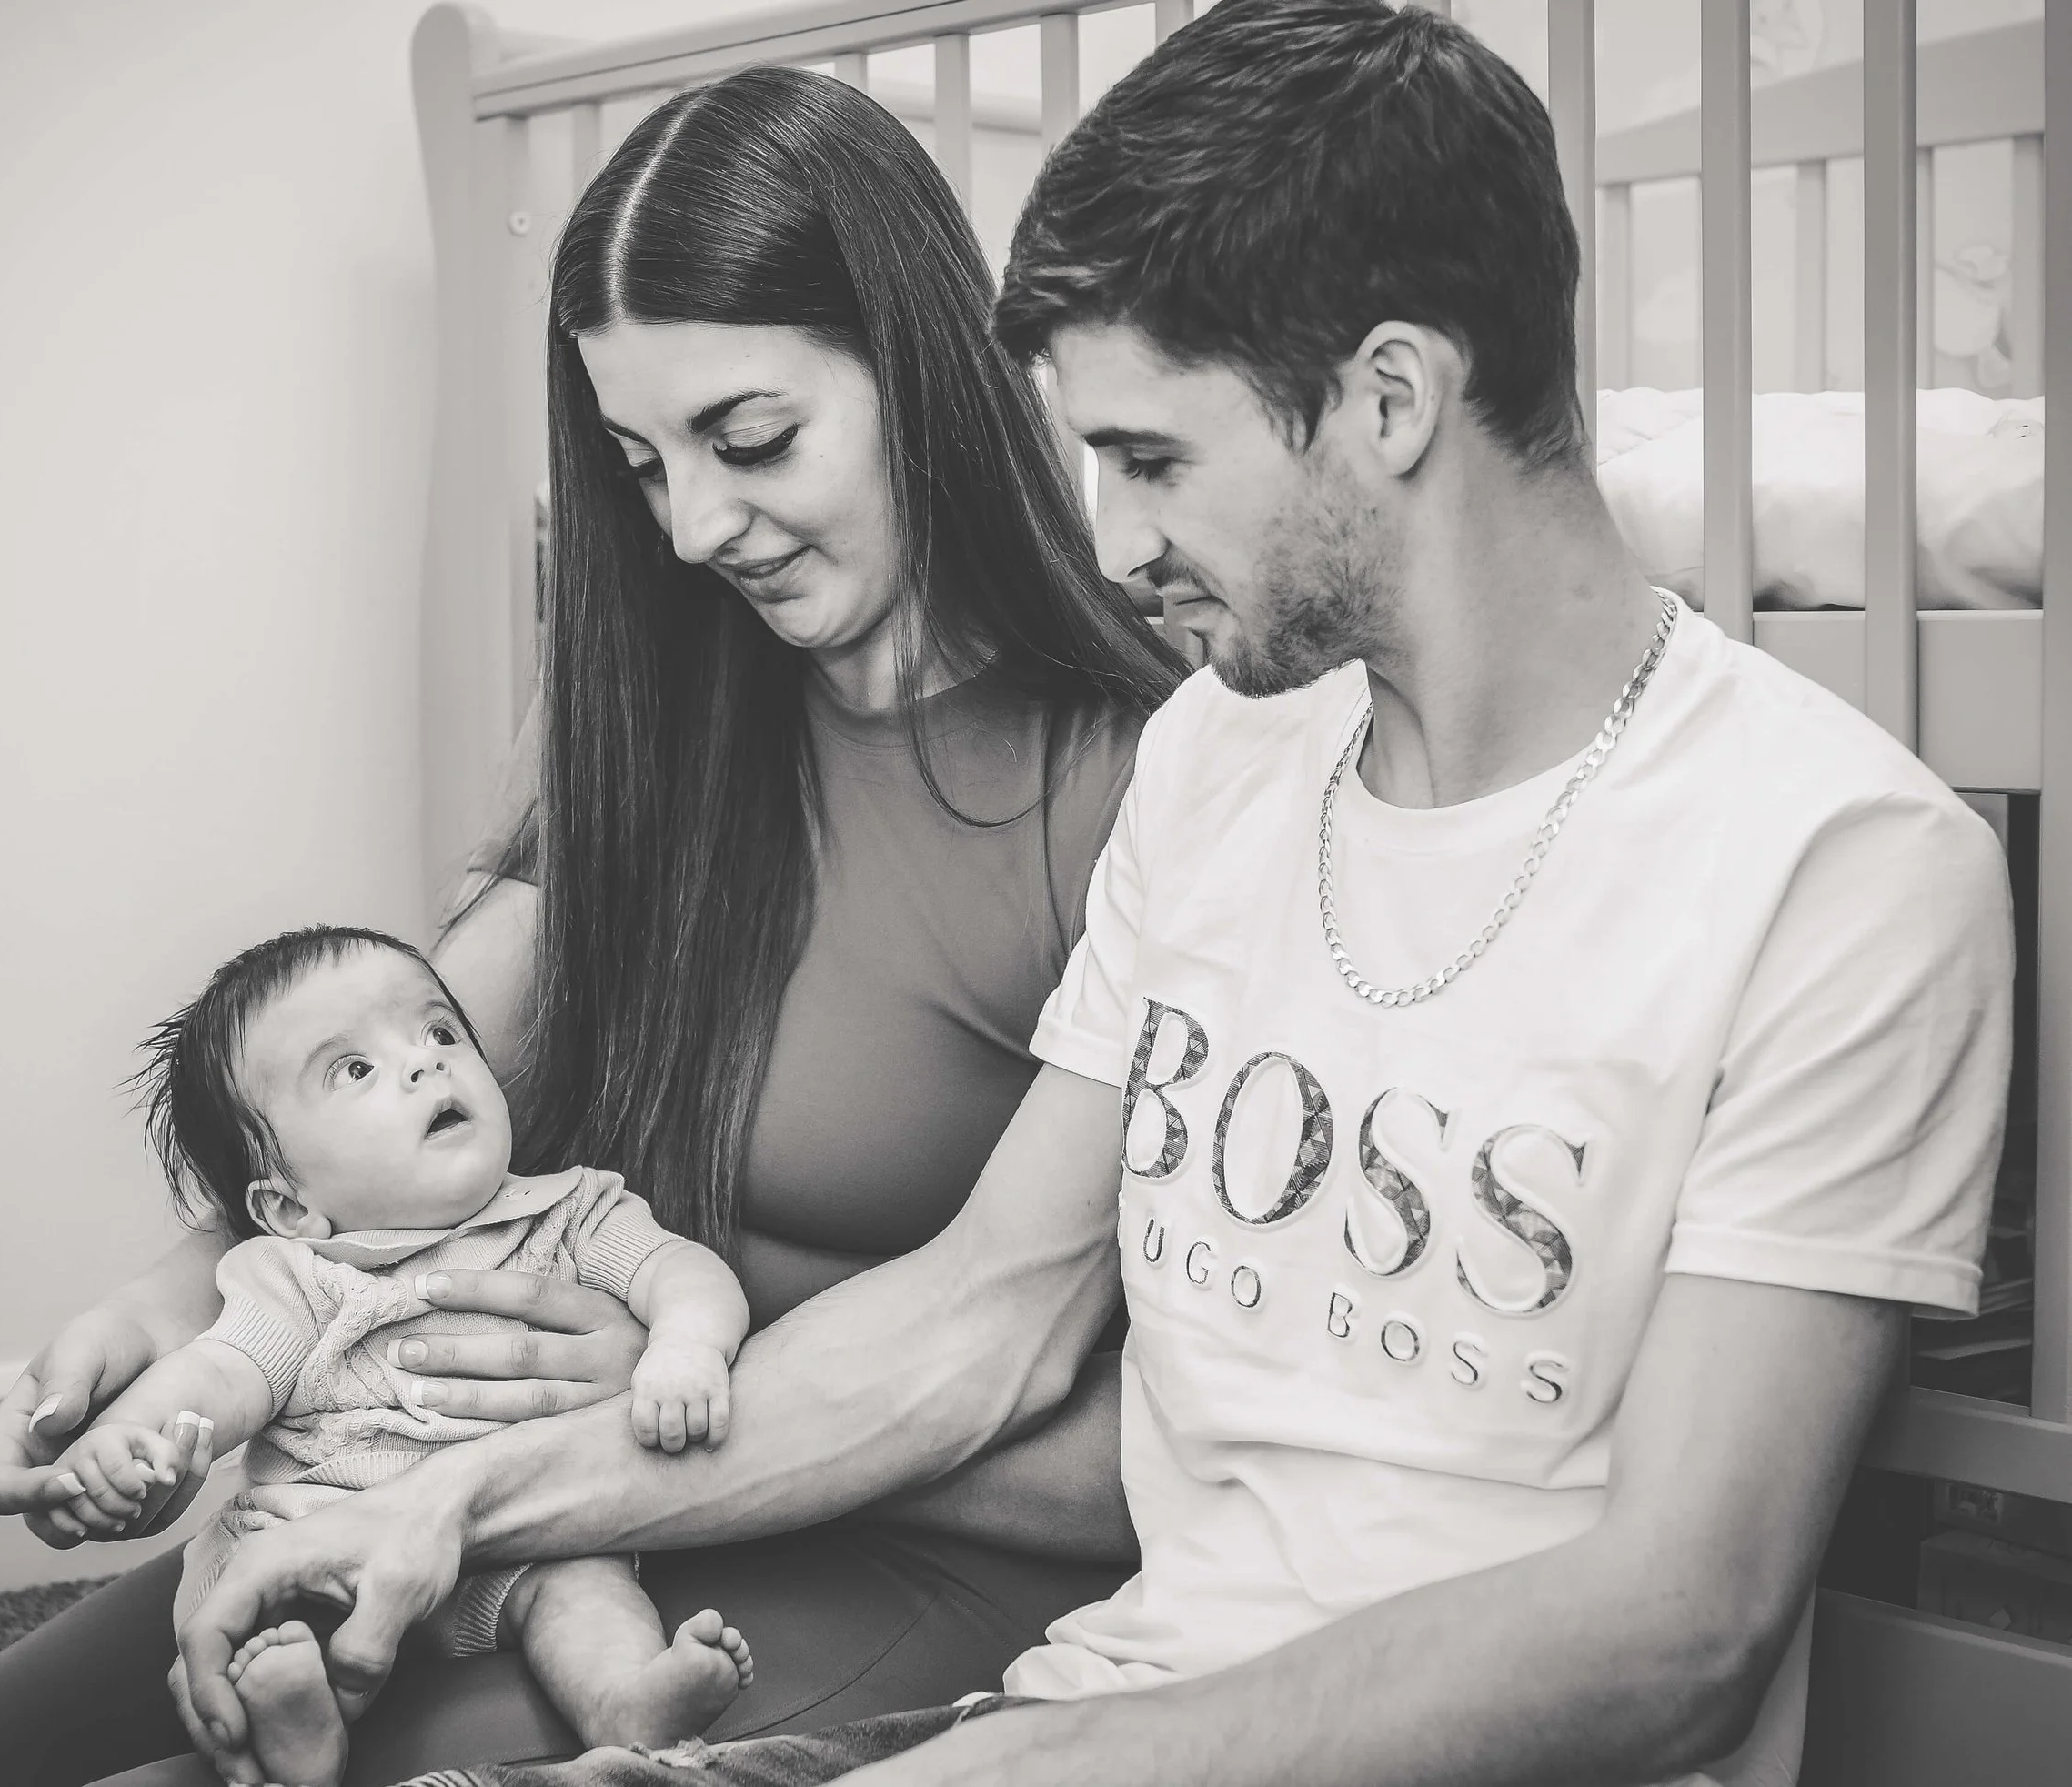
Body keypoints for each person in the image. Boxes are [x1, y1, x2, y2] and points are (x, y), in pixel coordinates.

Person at [161, 4, 2014, 1785]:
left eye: (1148, 458)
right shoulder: (1226, 755)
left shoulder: (1841, 865)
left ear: (1384, 397)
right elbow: (979, 1311)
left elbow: (1674, 1629)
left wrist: (1021, 1757)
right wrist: (450, 1497)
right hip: (1079, 1704)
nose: (1111, 544)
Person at [0, 64, 1175, 1787]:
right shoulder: (670, 720)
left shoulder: (1146, 781)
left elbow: (1158, 1438)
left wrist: (665, 1393)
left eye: (751, 442)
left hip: (884, 1559)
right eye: (636, 461)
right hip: (517, 1510)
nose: (689, 529)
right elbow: (423, 1050)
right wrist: (169, 1311)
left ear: (922, 371)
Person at [34, 924, 754, 1787]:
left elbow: (682, 1270)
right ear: (289, 1205)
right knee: (236, 1581)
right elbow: (224, 1370)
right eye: (354, 1070)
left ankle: (628, 1698)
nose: (426, 1064)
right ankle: (292, 1721)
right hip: (315, 1530)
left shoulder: (572, 1212)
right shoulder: (298, 1273)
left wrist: (685, 1346)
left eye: (440, 1032)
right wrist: (137, 1437)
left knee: (586, 1587)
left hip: (522, 1533)